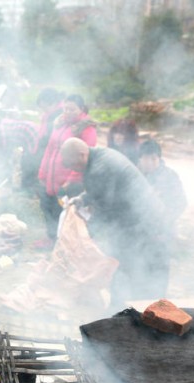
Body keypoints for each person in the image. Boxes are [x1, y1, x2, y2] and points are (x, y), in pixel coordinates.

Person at [61, 137, 170, 307]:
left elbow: (105, 210)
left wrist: (88, 233)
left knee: (140, 272)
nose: (73, 170)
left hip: (146, 224)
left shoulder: (100, 167)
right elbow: (100, 192)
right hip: (135, 222)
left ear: (82, 155)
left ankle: (134, 313)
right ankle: (123, 309)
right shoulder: (98, 156)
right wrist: (83, 199)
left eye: (73, 165)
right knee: (124, 267)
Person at [36, 94, 97, 247]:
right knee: (47, 206)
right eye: (65, 108)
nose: (67, 112)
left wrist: (71, 179)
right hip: (50, 177)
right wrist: (42, 172)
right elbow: (50, 149)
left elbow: (84, 158)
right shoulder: (60, 124)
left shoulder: (86, 128)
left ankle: (65, 244)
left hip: (68, 180)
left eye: (72, 109)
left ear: (81, 109)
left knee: (65, 213)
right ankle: (51, 239)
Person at [138, 139, 187, 232]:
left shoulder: (170, 176)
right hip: (135, 228)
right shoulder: (133, 174)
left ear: (159, 159)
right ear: (139, 158)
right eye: (145, 158)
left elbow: (181, 202)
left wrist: (165, 220)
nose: (149, 162)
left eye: (153, 159)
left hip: (162, 229)